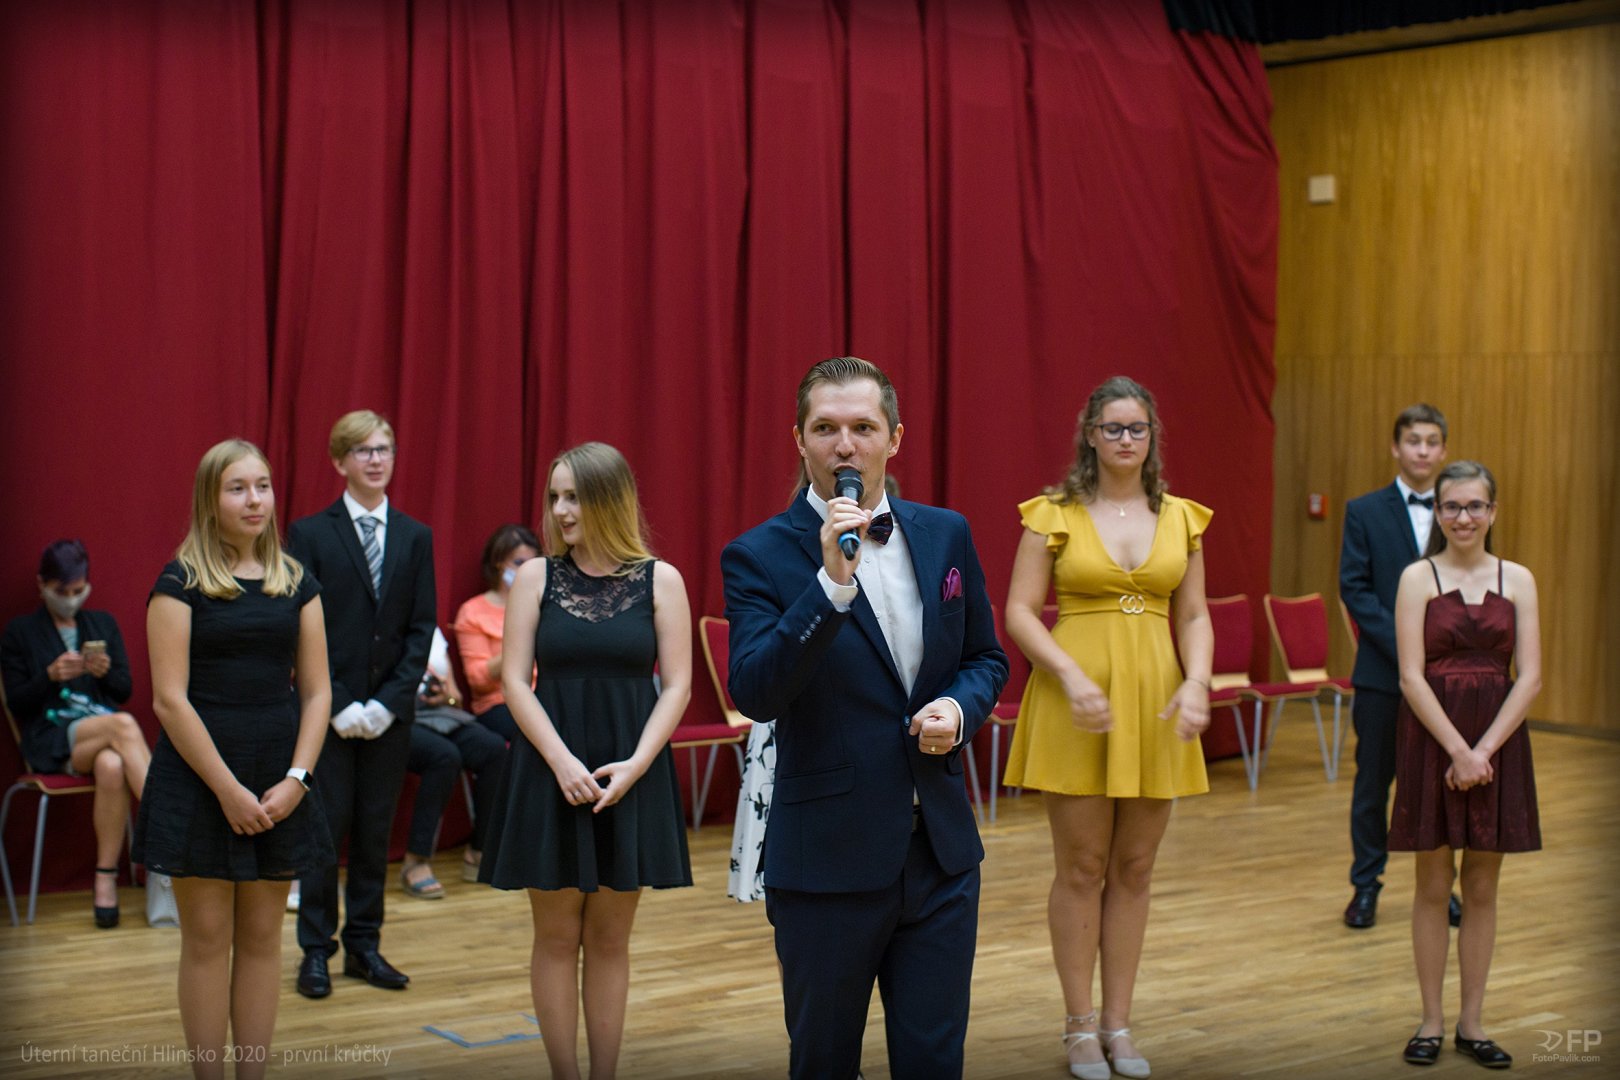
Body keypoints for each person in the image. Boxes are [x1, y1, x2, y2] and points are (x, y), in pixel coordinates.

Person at [721, 356, 1007, 1080]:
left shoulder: (946, 534)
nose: (844, 446)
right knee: (823, 1063)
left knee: (934, 1062)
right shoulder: (756, 556)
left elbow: (984, 658)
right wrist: (829, 585)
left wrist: (958, 708)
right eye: (825, 428)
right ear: (799, 440)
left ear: (894, 438)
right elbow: (756, 692)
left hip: (940, 854)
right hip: (826, 865)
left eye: (862, 427)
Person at [1001, 375, 1213, 1080]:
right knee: (1083, 867)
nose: (1126, 439)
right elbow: (1020, 612)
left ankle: (1119, 1024)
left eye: (1137, 428)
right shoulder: (1053, 513)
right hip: (1075, 700)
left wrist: (1198, 682)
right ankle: (1079, 1027)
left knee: (1135, 868)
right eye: (1113, 427)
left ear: (1152, 437)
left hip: (1156, 702)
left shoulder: (1182, 518)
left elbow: (1194, 614)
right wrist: (1069, 675)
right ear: (1090, 435)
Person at [480, 441, 693, 1080]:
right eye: (555, 497)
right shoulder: (535, 579)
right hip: (551, 769)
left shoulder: (662, 580)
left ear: (609, 499)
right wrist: (561, 762)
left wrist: (636, 765)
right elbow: (514, 681)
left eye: (574, 496)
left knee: (609, 938)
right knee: (554, 936)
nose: (560, 511)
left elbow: (677, 686)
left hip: (631, 770)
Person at [134, 439, 332, 1080]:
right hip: (201, 779)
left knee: (263, 941)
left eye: (263, 486)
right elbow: (169, 701)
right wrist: (226, 789)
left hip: (278, 777)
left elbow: (318, 693)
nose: (255, 500)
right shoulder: (179, 583)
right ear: (209, 499)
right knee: (207, 941)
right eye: (238, 488)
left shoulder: (296, 582)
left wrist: (297, 779)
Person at [1389, 461, 1539, 1069]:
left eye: (1475, 506)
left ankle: (1472, 1024)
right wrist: (1457, 750)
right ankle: (1430, 1020)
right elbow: (1410, 675)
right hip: (1432, 740)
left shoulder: (1519, 579)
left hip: (1498, 742)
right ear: (1439, 513)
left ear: (1493, 512)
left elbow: (1530, 677)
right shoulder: (1416, 577)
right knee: (1432, 885)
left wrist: (1483, 752)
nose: (1464, 517)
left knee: (1481, 886)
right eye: (1451, 506)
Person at [289, 410, 436, 998]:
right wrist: (340, 702)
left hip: (388, 717)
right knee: (324, 833)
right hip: (328, 711)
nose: (376, 460)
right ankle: (315, 950)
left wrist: (389, 703)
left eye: (384, 449)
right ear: (339, 461)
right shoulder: (310, 533)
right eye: (363, 451)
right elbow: (303, 626)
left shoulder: (415, 535)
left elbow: (420, 629)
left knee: (375, 833)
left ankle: (364, 946)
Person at [1341, 404, 1462, 930]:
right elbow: (1355, 588)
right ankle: (1365, 885)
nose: (1423, 451)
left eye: (1432, 442)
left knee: (1439, 788)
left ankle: (1439, 888)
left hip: (1447, 677)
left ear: (1444, 450)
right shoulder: (1364, 510)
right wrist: (1410, 646)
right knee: (1374, 785)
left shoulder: (1460, 512)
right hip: (1382, 675)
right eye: (1414, 441)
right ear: (1396, 447)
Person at [2, 539, 149, 927]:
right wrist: (49, 676)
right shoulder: (20, 632)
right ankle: (170, 825)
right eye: (61, 591)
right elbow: (17, 703)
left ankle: (105, 878)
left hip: (96, 734)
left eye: (77, 590)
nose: (70, 599)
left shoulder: (102, 624)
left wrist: (104, 671)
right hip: (49, 738)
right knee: (124, 725)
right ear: (42, 585)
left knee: (112, 764)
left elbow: (123, 690)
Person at [399, 627, 507, 897]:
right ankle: (416, 861)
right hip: (397, 716)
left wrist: (443, 695)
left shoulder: (432, 632)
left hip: (439, 713)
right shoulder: (383, 627)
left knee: (492, 748)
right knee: (444, 756)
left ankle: (479, 851)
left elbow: (455, 698)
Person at [452, 523, 541, 743]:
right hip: (498, 704)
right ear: (498, 563)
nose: (526, 571)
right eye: (519, 563)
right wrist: (519, 646)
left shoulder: (542, 606)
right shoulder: (473, 611)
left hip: (543, 697)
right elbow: (477, 679)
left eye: (532, 564)